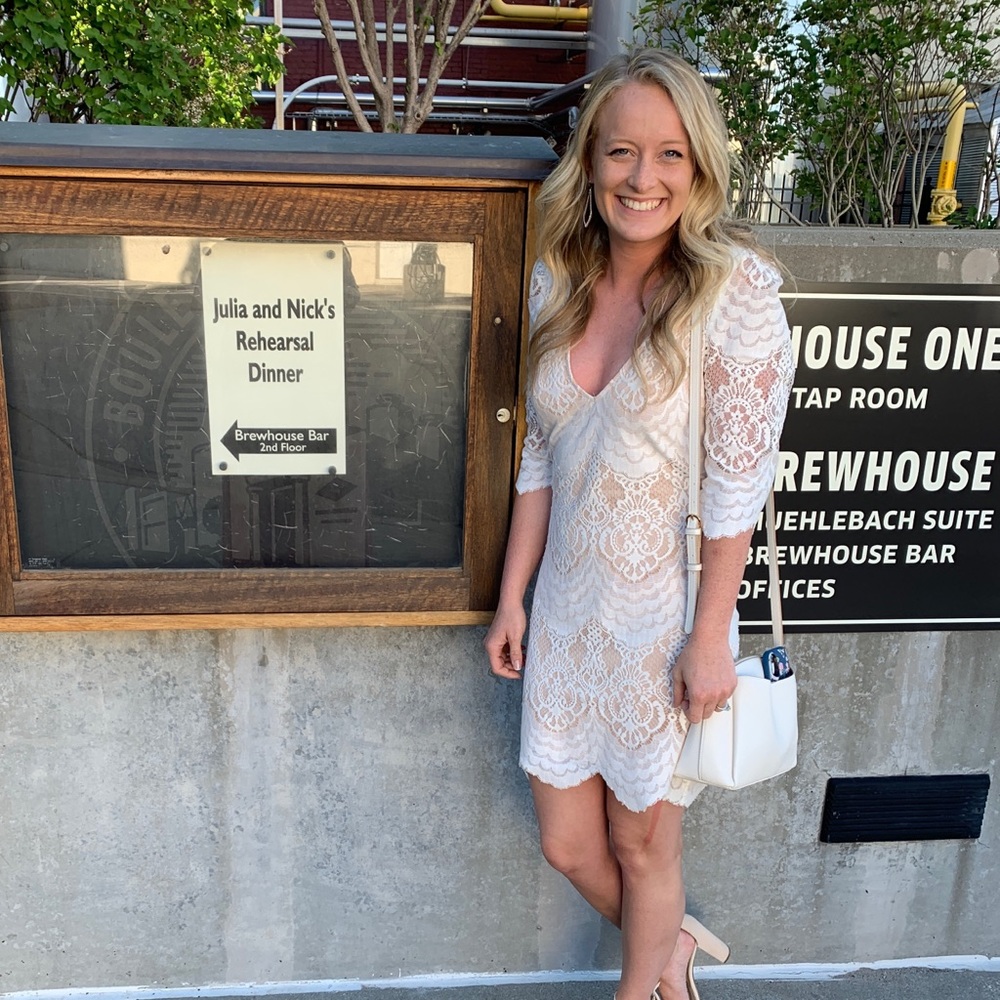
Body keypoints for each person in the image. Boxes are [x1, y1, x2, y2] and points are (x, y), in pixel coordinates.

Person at [483, 48, 795, 1000]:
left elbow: (738, 487)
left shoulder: (732, 293)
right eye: (622, 152)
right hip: (572, 620)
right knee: (569, 844)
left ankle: (645, 987)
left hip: (666, 623)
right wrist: (513, 600)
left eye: (668, 156)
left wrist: (710, 640)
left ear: (697, 168)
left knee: (643, 840)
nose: (643, 178)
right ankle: (672, 946)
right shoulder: (557, 279)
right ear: (594, 160)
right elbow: (539, 454)